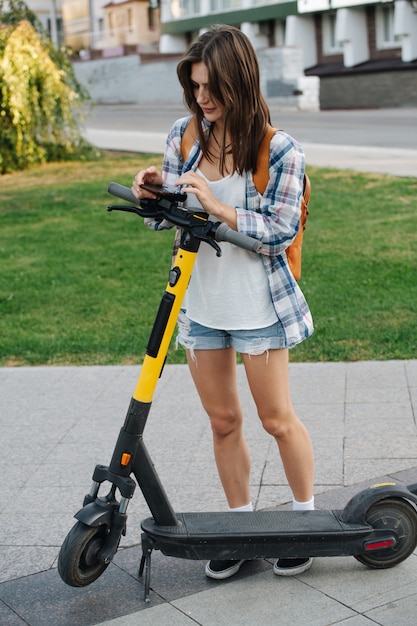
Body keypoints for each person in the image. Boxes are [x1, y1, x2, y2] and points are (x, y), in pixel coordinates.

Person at [132, 24, 315, 580]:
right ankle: (239, 528)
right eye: (195, 88)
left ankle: (306, 524)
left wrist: (218, 204)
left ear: (241, 80)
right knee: (223, 421)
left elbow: (279, 231)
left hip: (258, 306)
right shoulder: (185, 137)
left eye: (211, 87)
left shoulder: (277, 149)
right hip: (202, 305)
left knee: (276, 419)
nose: (202, 98)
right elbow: (171, 213)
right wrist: (150, 194)